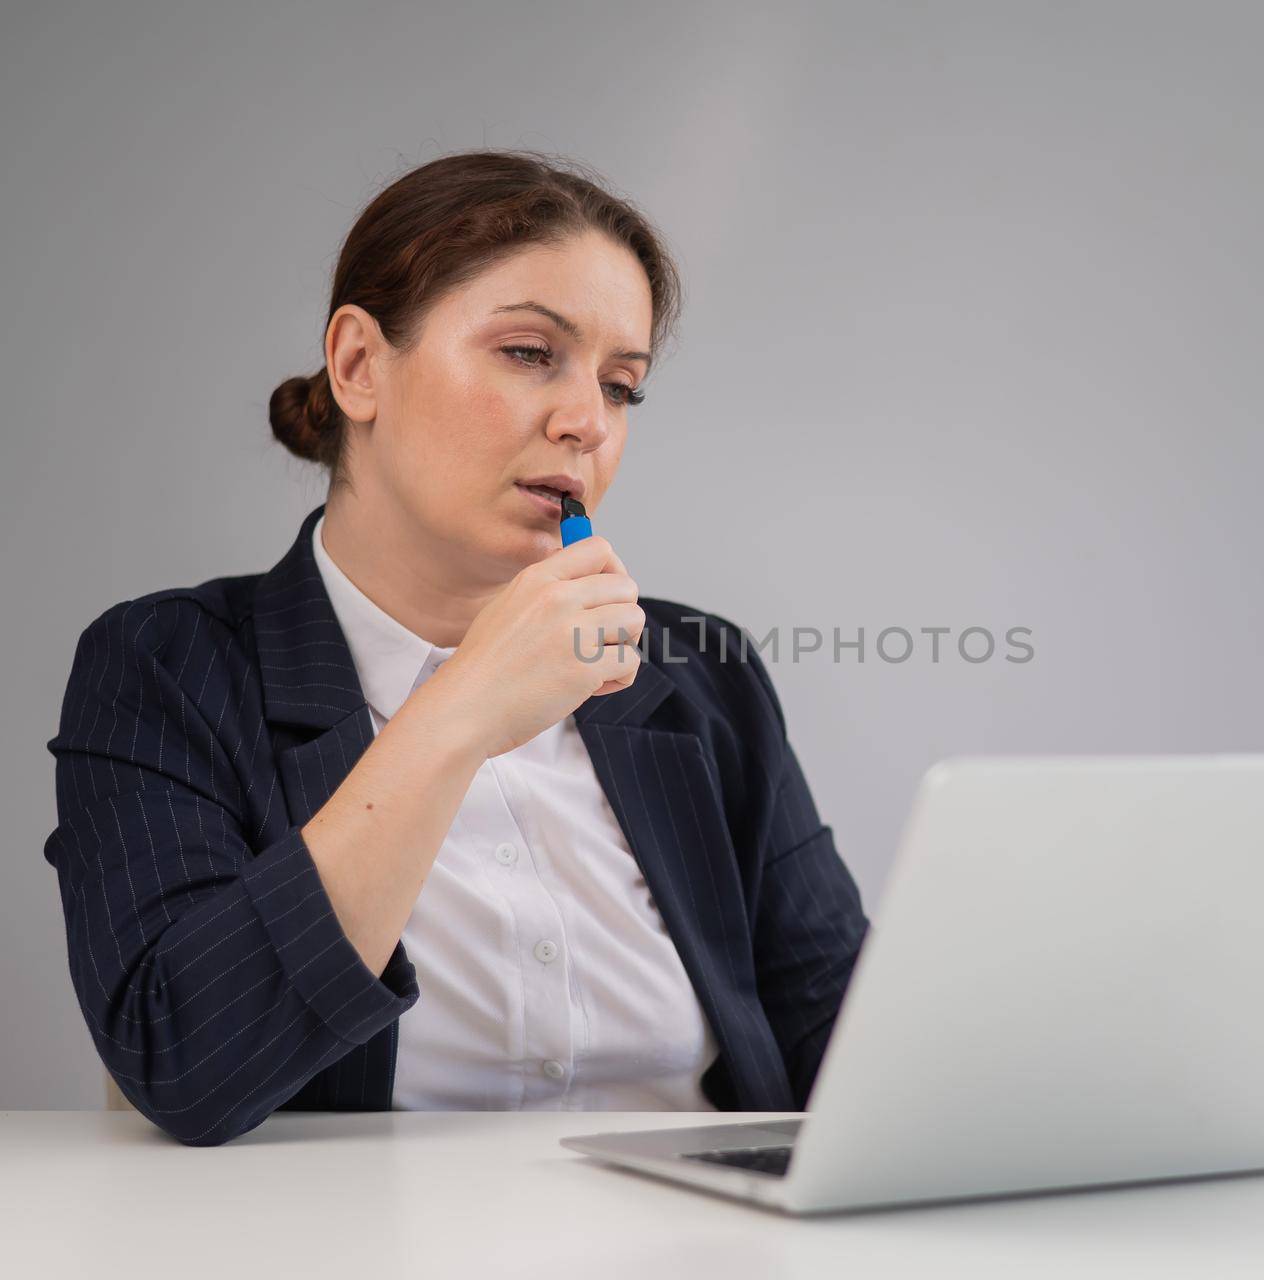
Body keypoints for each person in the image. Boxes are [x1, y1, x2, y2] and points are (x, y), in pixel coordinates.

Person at [42, 149, 870, 1146]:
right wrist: (463, 707)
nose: (585, 423)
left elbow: (849, 1047)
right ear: (357, 365)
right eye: (529, 353)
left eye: (622, 385)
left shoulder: (700, 673)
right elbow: (183, 1058)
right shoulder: (168, 663)